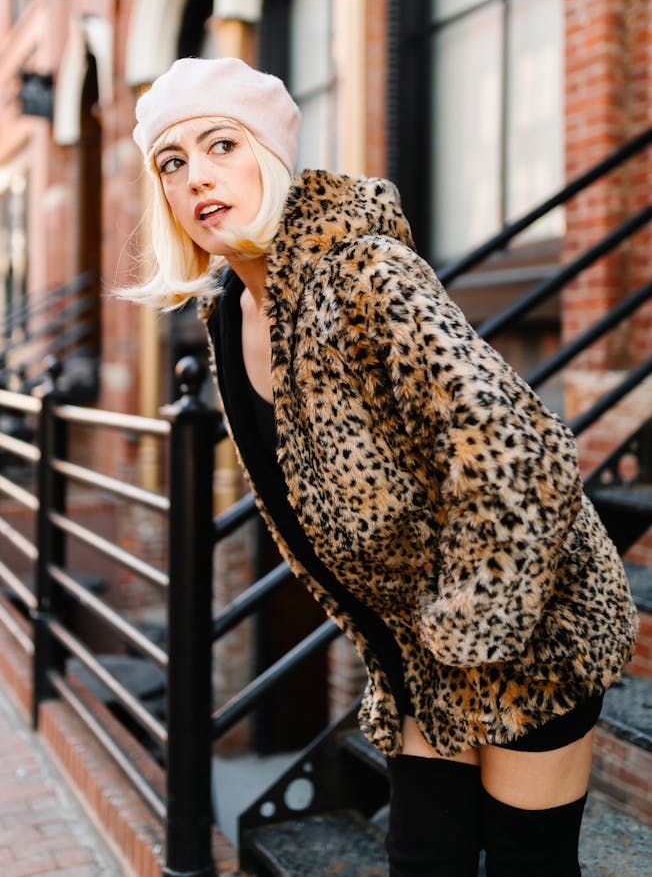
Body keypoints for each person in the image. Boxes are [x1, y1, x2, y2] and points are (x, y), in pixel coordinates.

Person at [129, 56, 639, 876]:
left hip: (532, 621)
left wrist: (457, 637)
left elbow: (522, 457)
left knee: (527, 866)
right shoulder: (231, 312)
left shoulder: (365, 275)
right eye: (173, 163)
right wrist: (415, 652)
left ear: (269, 153)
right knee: (422, 858)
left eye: (221, 145)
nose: (197, 178)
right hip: (425, 652)